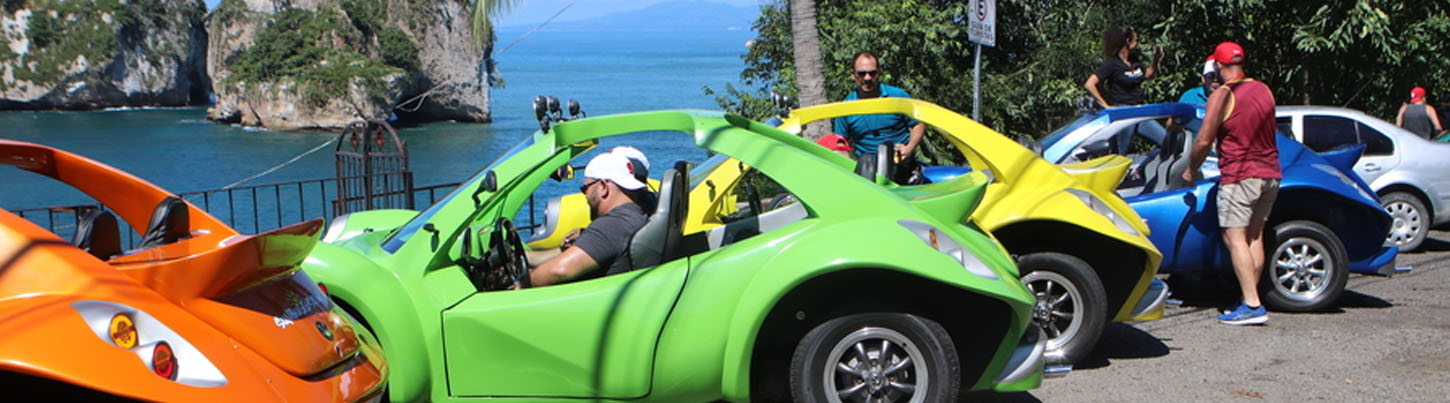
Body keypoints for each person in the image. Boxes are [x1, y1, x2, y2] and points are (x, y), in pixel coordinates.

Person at [1183, 42, 1280, 326]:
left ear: (1218, 67)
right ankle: (1250, 298)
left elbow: (1203, 140)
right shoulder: (1264, 89)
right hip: (1270, 174)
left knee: (1233, 238)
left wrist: (1191, 169)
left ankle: (1252, 305)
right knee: (1254, 237)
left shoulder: (1223, 96)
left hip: (1240, 175)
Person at [526, 150, 653, 287]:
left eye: (585, 188)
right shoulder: (637, 213)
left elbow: (558, 271)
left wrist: (521, 283)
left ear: (603, 187)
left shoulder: (613, 225)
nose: (585, 195)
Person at [832, 51, 927, 183]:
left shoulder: (898, 96)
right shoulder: (846, 107)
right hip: (867, 173)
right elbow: (839, 144)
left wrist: (909, 148)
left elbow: (918, 124)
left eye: (872, 73)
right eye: (861, 73)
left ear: (879, 72)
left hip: (902, 167)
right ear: (853, 75)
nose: (867, 78)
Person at [1084, 27, 1163, 109]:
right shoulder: (1112, 63)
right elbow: (1089, 84)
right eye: (1136, 40)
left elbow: (1147, 74)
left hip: (1139, 108)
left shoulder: (1134, 60)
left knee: (1154, 122)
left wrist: (1156, 58)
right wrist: (1106, 106)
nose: (1138, 43)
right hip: (1122, 109)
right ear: (1128, 41)